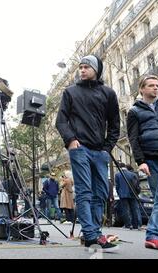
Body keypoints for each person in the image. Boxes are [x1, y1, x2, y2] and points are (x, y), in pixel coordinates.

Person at [56, 54, 120, 252]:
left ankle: (92, 231)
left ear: (96, 69)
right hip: (79, 148)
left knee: (100, 192)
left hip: (99, 151)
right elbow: (60, 120)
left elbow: (115, 124)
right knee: (84, 191)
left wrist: (107, 148)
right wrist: (71, 140)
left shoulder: (108, 93)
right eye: (80, 67)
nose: (82, 70)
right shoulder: (70, 92)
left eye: (86, 67)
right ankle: (92, 234)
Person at [127, 75, 158, 251]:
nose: (155, 88)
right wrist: (140, 161)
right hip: (151, 161)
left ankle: (152, 235)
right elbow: (133, 138)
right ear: (142, 89)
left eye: (157, 85)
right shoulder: (134, 112)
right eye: (151, 85)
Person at [115, 163, 141, 230]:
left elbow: (117, 186)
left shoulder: (117, 175)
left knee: (125, 210)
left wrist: (119, 194)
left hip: (123, 195)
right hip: (133, 194)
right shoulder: (133, 174)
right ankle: (135, 225)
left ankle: (128, 225)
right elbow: (137, 186)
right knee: (134, 209)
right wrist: (137, 193)